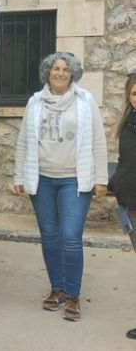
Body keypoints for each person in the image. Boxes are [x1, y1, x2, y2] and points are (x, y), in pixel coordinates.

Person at [14, 52, 108, 322]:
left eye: (66, 69)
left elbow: (98, 141)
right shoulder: (35, 102)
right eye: (55, 68)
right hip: (42, 179)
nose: (60, 73)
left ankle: (73, 294)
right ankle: (57, 289)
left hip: (74, 181)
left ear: (73, 74)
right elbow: (23, 141)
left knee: (70, 236)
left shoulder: (85, 100)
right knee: (50, 235)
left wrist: (100, 179)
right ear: (48, 73)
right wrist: (19, 176)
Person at [108, 74, 136, 339]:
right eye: (135, 93)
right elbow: (123, 159)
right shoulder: (126, 123)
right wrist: (115, 182)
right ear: (128, 96)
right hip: (130, 201)